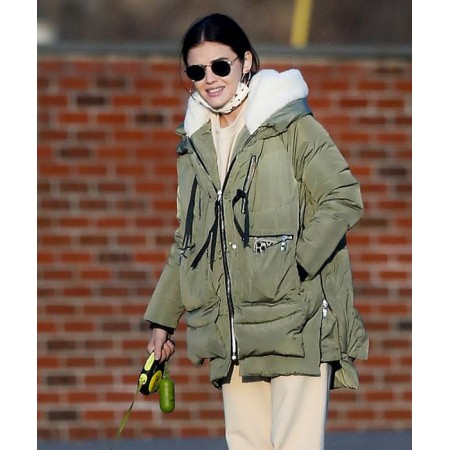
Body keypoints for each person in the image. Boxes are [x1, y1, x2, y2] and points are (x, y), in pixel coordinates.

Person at [144, 13, 369, 450]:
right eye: (197, 71)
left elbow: (343, 195)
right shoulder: (195, 146)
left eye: (220, 65)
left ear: (245, 62)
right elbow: (188, 240)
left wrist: (296, 266)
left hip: (297, 321)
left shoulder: (289, 124)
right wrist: (163, 319)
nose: (209, 79)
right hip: (234, 331)